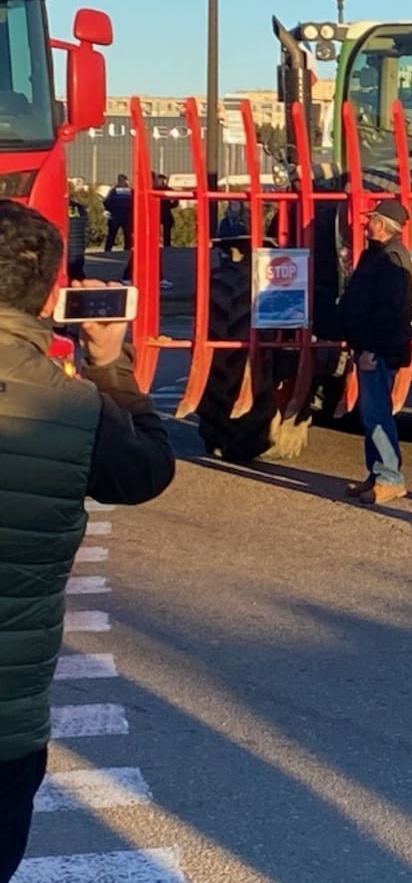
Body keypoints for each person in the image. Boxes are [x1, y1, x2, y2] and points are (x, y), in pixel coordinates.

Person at [0, 203, 175, 876]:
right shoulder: (80, 409)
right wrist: (111, 367)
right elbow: (148, 472)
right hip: (6, 724)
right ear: (51, 295)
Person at [339, 198, 412, 503]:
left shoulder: (392, 259)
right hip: (367, 346)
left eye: (371, 219)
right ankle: (376, 474)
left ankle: (390, 478)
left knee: (377, 413)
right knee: (370, 413)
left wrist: (371, 348)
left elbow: (389, 312)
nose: (366, 223)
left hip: (379, 350)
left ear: (381, 225)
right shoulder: (377, 255)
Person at [102, 174, 133, 251]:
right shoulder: (129, 191)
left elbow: (106, 202)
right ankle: (127, 249)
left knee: (112, 233)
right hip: (126, 214)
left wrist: (110, 210)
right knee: (127, 234)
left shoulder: (114, 191)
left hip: (115, 214)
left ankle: (108, 249)